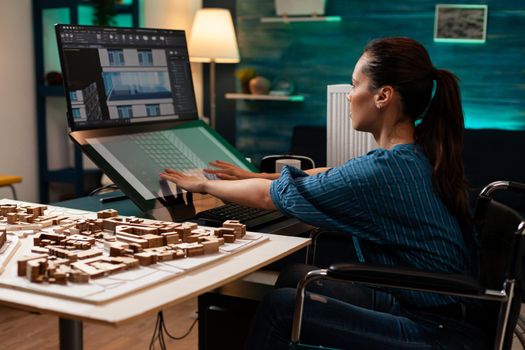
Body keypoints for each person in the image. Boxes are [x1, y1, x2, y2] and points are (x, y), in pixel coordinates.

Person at [160, 37, 488, 349]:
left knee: (281, 308)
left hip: (437, 329)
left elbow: (267, 196)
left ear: (383, 96)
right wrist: (255, 173)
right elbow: (332, 174)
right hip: (433, 303)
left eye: (355, 84)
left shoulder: (384, 171)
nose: (349, 94)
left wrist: (203, 185)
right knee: (297, 276)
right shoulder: (412, 154)